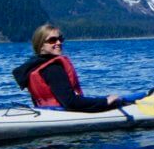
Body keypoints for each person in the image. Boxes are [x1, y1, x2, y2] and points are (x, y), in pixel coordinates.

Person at [13, 24, 143, 112]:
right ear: (41, 45)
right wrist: (105, 101)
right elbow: (70, 102)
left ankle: (140, 95)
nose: (58, 43)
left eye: (60, 39)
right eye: (52, 40)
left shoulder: (32, 66)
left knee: (121, 98)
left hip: (45, 111)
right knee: (118, 100)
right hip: (63, 113)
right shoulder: (53, 68)